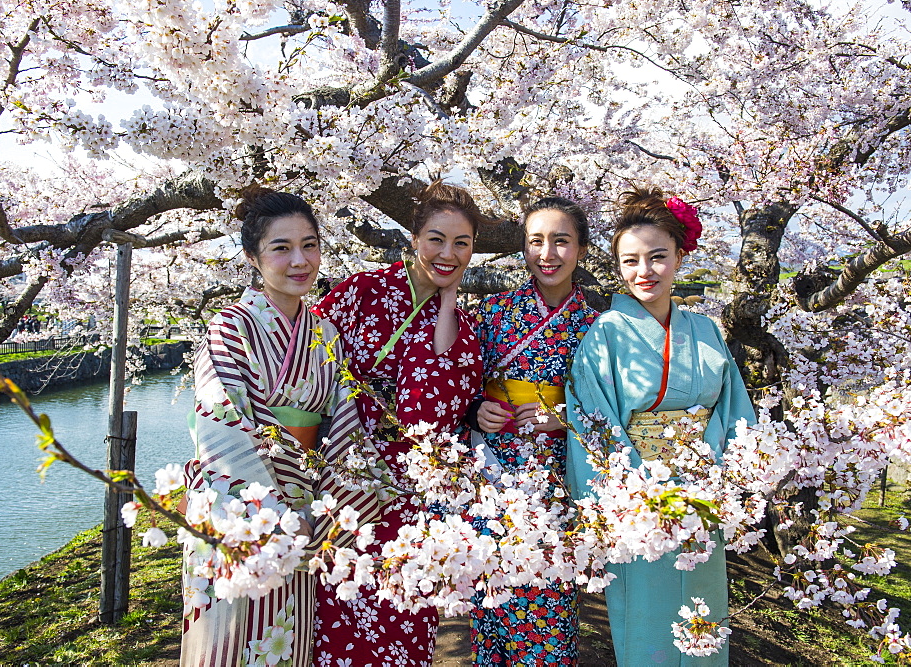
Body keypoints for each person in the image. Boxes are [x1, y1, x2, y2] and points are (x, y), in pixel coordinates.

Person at [180, 186, 380, 667]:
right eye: (281, 248)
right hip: (245, 513)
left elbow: (344, 423)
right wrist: (277, 510)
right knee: (229, 639)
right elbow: (222, 421)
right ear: (253, 256)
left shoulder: (325, 333)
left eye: (309, 245)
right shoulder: (231, 326)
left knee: (288, 639)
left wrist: (331, 506)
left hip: (309, 511)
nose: (299, 260)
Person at [566, 186, 756, 666]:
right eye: (630, 261)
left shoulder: (706, 330)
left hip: (706, 489)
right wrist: (632, 497)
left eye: (657, 257)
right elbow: (593, 422)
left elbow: (734, 410)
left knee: (702, 608)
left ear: (679, 256)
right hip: (640, 501)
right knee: (645, 613)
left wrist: (726, 480)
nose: (643, 272)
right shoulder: (605, 332)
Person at [312, 180, 486, 667]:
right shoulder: (364, 291)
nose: (447, 253)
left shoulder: (463, 327)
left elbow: (438, 412)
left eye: (462, 243)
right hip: (347, 480)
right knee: (339, 609)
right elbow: (308, 358)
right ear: (413, 238)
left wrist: (448, 302)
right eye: (436, 238)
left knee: (405, 614)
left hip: (412, 494)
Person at [465, 197, 599, 665]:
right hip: (491, 471)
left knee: (548, 602)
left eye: (561, 241)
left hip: (556, 481)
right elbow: (460, 385)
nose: (548, 253)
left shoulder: (598, 326)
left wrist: (562, 417)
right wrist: (477, 409)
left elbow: (610, 411)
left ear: (581, 248)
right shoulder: (492, 312)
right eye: (536, 240)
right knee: (491, 606)